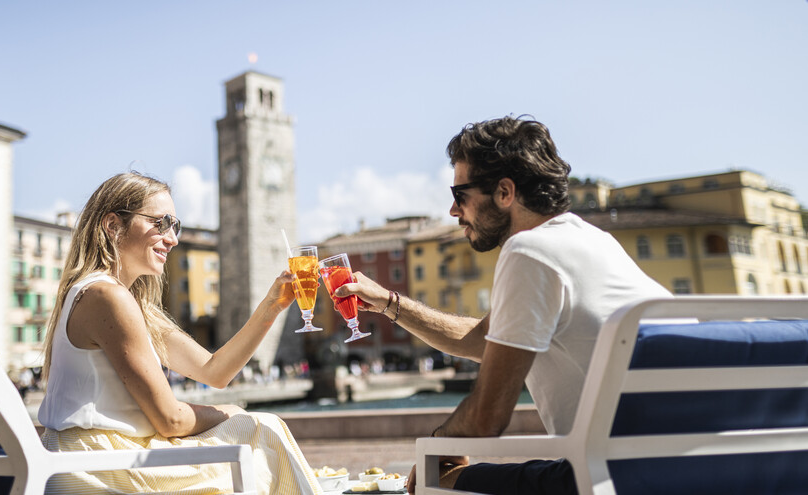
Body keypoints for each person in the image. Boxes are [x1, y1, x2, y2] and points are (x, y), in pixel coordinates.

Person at [334, 116, 672, 495]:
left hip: (609, 480)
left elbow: (486, 419)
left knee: (435, 482)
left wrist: (439, 444)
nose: (452, 210)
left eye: (460, 194)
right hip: (686, 469)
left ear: (505, 192)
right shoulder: (595, 242)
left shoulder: (529, 251)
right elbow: (481, 339)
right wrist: (388, 303)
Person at [37, 172, 321, 495]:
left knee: (260, 431)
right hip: (100, 466)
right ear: (113, 226)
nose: (172, 238)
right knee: (263, 429)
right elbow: (170, 420)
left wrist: (271, 306)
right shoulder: (108, 297)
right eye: (160, 223)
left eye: (175, 225)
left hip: (97, 459)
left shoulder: (117, 299)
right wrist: (228, 412)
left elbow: (215, 372)